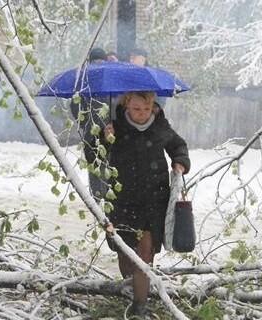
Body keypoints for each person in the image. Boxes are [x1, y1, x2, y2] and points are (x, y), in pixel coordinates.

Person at [103, 91, 190, 317]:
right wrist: (104, 138)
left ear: (152, 107)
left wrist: (179, 162)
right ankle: (133, 290)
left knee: (145, 252)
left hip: (154, 200)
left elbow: (179, 145)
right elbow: (94, 155)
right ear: (126, 106)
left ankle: (140, 307)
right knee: (124, 251)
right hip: (122, 200)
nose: (142, 114)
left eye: (146, 109)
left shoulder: (160, 127)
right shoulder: (116, 127)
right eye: (136, 109)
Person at [70, 47, 111, 200]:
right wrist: (86, 123)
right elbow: (75, 106)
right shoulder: (83, 83)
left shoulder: (109, 82)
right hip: (90, 134)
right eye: (96, 61)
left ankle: (108, 197)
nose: (99, 64)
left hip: (109, 133)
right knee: (94, 167)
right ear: (90, 62)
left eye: (101, 61)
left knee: (108, 166)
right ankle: (97, 197)